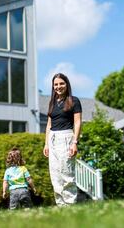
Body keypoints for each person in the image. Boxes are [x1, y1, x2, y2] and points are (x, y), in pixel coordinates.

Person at [43, 73, 82, 206]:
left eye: (61, 83)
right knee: (55, 176)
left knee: (66, 174)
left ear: (67, 84)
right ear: (53, 86)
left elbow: (77, 122)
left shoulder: (74, 101)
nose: (58, 86)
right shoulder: (52, 103)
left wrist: (74, 142)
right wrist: (46, 144)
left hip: (66, 137)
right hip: (52, 138)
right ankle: (61, 206)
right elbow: (49, 124)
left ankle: (70, 205)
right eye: (56, 84)